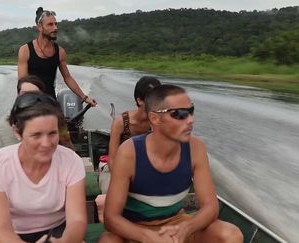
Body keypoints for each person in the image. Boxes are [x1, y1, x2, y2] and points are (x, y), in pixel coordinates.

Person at [99, 84, 243, 243]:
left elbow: (211, 207)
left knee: (231, 235)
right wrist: (149, 237)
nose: (190, 120)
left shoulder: (195, 148)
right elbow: (111, 218)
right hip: (136, 228)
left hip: (176, 224)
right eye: (180, 114)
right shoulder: (129, 153)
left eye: (191, 111)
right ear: (154, 118)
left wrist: (186, 228)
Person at [0, 92, 87, 243]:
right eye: (36, 135)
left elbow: (77, 221)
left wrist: (65, 241)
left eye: (52, 133)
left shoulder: (71, 162)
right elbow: (1, 228)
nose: (46, 143)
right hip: (12, 233)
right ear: (17, 132)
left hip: (58, 230)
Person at [17, 7, 97, 106]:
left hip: (51, 102)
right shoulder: (25, 50)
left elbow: (68, 78)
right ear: (40, 27)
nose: (55, 28)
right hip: (30, 102)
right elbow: (22, 83)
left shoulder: (60, 52)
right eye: (50, 24)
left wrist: (85, 98)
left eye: (56, 24)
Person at [99, 76, 161, 194]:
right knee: (109, 190)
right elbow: (112, 159)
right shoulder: (120, 122)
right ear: (140, 101)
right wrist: (123, 180)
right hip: (117, 168)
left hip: (146, 167)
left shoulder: (158, 121)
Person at [0, 75, 73, 151]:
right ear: (18, 96)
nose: (29, 98)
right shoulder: (6, 125)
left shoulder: (56, 119)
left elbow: (67, 146)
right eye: (25, 94)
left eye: (34, 94)